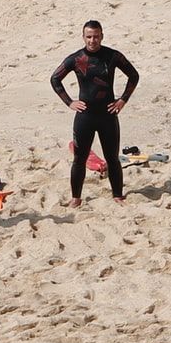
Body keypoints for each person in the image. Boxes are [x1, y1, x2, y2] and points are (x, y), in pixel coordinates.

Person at [51, 20, 140, 207]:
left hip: (108, 115)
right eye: (89, 36)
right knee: (79, 159)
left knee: (112, 158)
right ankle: (76, 198)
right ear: (83, 37)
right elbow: (55, 79)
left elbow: (134, 75)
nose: (93, 40)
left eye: (96, 36)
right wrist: (69, 102)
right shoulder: (75, 59)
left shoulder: (112, 56)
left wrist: (123, 100)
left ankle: (118, 195)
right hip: (85, 117)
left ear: (102, 36)